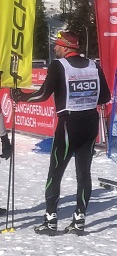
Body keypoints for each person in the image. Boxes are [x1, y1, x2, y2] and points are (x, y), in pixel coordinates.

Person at [13, 30, 110, 234]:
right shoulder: (94, 65)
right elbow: (105, 97)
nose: (54, 47)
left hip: (69, 124)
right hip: (90, 123)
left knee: (55, 173)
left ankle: (50, 221)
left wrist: (20, 97)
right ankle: (79, 220)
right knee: (83, 173)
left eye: (57, 44)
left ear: (66, 47)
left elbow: (42, 95)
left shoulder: (59, 66)